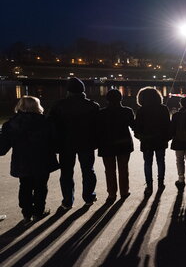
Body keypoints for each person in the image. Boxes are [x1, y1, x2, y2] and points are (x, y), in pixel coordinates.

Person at [0, 97, 59, 223]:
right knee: (41, 187)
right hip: (42, 160)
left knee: (25, 186)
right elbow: (55, 142)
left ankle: (26, 213)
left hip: (22, 161)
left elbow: (3, 147)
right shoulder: (46, 122)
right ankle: (38, 211)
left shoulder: (12, 123)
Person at [48, 77, 99, 209]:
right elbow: (98, 126)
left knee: (66, 173)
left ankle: (67, 201)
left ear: (68, 91)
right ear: (82, 90)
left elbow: (51, 126)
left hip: (65, 144)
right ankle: (88, 197)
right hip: (86, 143)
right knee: (88, 171)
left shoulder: (58, 105)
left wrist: (54, 144)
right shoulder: (92, 105)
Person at [96, 89, 134, 201]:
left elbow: (97, 130)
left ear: (107, 99)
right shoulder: (127, 111)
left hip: (106, 144)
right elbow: (133, 125)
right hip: (124, 143)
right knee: (123, 169)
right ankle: (124, 191)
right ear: (121, 98)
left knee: (109, 170)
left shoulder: (102, 113)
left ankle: (112, 193)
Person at [135, 87, 170, 191]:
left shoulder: (141, 110)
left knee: (147, 163)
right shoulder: (163, 108)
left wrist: (139, 136)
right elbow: (167, 125)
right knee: (160, 161)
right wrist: (167, 138)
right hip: (160, 139)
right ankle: (160, 182)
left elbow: (137, 127)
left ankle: (149, 184)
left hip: (146, 140)